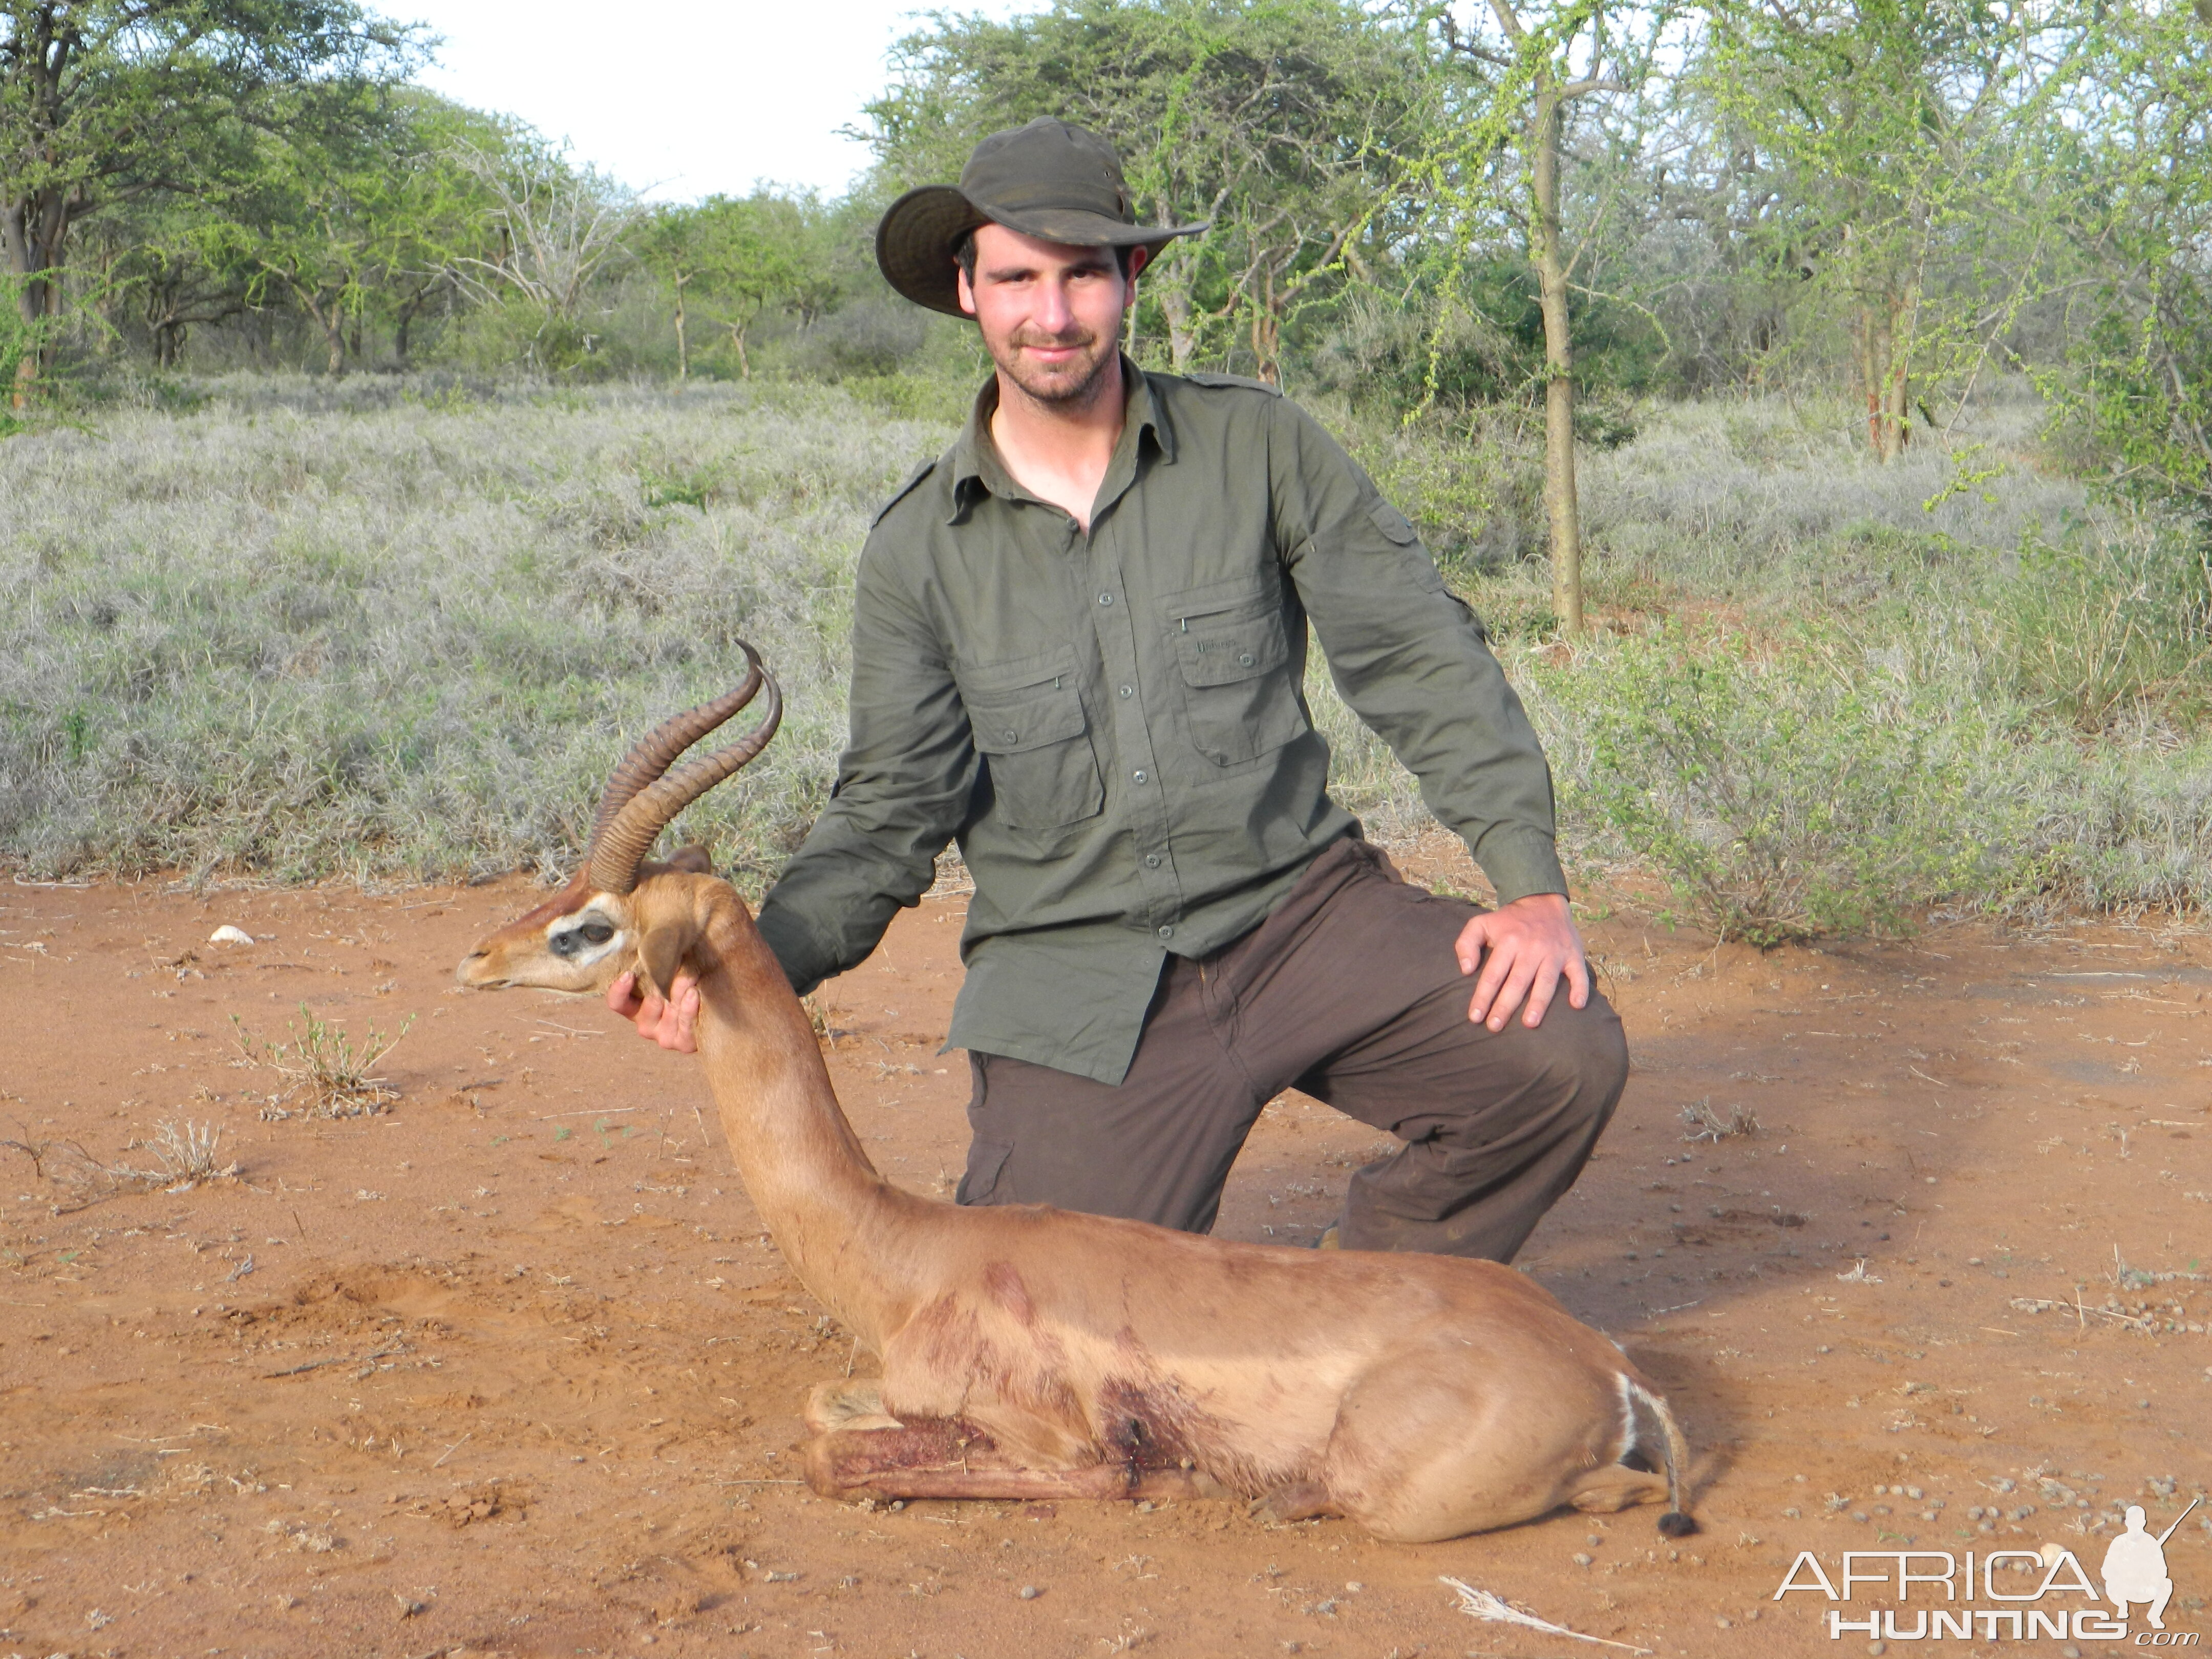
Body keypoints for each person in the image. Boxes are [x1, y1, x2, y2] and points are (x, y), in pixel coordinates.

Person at [612, 116, 1628, 1261]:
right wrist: (744, 965)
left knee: (1560, 1050)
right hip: (1075, 977)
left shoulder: (1259, 446)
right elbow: (891, 811)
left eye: (1083, 275)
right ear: (968, 291)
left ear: (1130, 277)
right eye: (1017, 279)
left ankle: (1369, 1318)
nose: (1052, 315)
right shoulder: (917, 550)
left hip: (1302, 918)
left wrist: (1530, 884)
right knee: (1036, 1329)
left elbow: (1418, 657)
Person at [2101, 1505, 2175, 1630]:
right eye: (2132, 1522)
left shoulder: (2151, 1542)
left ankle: (2154, 1616)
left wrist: (2148, 1573)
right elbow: (2106, 1570)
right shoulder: (2119, 1542)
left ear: (2144, 1523)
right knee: (2114, 1584)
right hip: (2122, 1588)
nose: (2135, 1526)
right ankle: (2122, 1606)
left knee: (2167, 1584)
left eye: (2139, 1522)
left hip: (2143, 1587)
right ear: (2127, 1523)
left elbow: (2162, 1570)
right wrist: (2124, 1570)